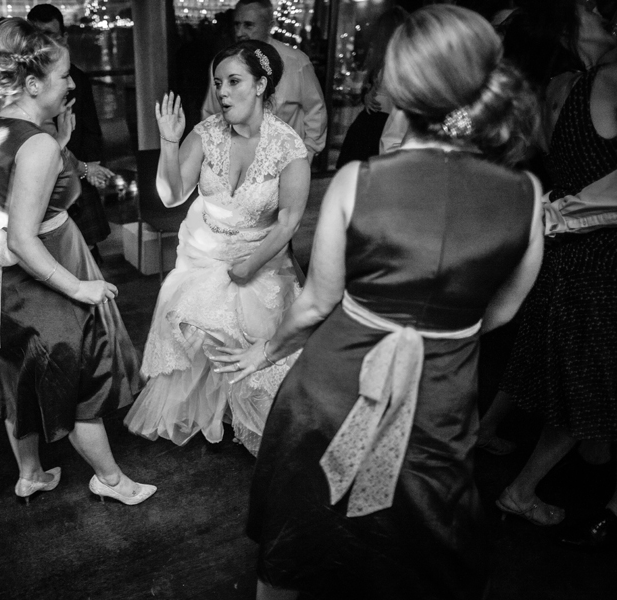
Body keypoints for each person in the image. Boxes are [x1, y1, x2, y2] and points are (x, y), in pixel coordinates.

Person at [211, 6, 544, 598]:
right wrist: (441, 330)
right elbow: (504, 311)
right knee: (415, 536)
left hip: (337, 381)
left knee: (304, 525)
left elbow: (316, 304)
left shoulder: (359, 180)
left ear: (405, 83)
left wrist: (263, 351)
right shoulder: (526, 192)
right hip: (441, 392)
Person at [0, 18, 155, 506]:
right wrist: (78, 288)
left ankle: (30, 473)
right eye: (64, 75)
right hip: (45, 271)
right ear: (32, 84)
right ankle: (111, 480)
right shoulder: (38, 145)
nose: (72, 83)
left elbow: (13, 199)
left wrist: (61, 144)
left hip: (8, 284)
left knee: (20, 376)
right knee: (78, 378)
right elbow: (27, 238)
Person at [124, 40, 310, 456]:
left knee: (254, 344)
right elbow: (172, 196)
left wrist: (250, 267)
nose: (222, 91)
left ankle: (248, 415)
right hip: (204, 254)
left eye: (234, 81)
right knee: (196, 323)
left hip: (259, 259)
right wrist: (169, 144)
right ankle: (212, 411)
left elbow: (288, 221)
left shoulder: (288, 146)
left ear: (261, 85)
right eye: (218, 83)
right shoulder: (205, 133)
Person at [477, 0, 617, 539]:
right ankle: (521, 489)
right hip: (598, 251)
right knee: (586, 381)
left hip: (556, 243)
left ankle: (483, 433)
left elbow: (528, 154)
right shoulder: (593, 81)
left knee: (538, 353)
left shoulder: (561, 86)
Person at [28, 4, 115, 264]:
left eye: (51, 35)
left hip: (74, 168)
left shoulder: (77, 78)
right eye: (37, 35)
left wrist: (90, 168)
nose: (44, 42)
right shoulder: (24, 94)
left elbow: (91, 128)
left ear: (63, 37)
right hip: (45, 176)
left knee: (86, 251)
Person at [201, 0, 327, 164]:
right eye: (237, 24)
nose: (239, 32)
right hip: (236, 167)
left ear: (270, 26)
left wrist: (307, 154)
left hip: (284, 166)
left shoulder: (296, 62)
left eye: (248, 25)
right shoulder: (222, 64)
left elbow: (316, 110)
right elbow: (211, 114)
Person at [335, 6, 408, 167]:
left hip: (377, 125)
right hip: (377, 126)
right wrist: (369, 94)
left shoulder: (395, 62)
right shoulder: (393, 62)